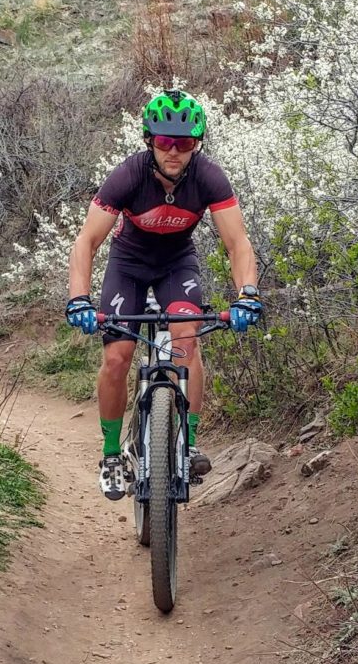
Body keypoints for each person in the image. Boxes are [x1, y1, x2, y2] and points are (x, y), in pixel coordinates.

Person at [64, 90, 264, 500]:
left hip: (178, 264)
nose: (173, 151)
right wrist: (78, 298)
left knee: (186, 343)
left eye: (184, 143)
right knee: (117, 357)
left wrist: (247, 294)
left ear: (197, 144)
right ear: (148, 142)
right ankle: (111, 455)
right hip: (129, 265)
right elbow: (86, 241)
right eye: (163, 142)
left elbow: (238, 244)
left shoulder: (209, 177)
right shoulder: (127, 176)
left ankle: (187, 445)